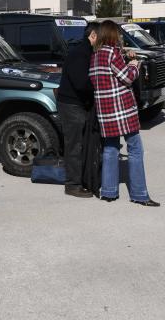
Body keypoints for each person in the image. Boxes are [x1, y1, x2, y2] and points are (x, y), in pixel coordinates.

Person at [89, 20, 159, 207]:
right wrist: (135, 64)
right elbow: (127, 77)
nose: (120, 36)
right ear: (113, 34)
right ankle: (139, 194)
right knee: (135, 148)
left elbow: (112, 75)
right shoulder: (112, 52)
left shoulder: (95, 55)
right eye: (118, 33)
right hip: (121, 109)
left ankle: (109, 192)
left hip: (105, 111)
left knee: (110, 149)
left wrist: (126, 56)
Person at [57, 22, 99, 198]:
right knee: (74, 145)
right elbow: (82, 84)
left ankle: (81, 179)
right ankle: (72, 185)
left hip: (79, 104)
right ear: (93, 36)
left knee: (80, 144)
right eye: (102, 38)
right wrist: (99, 87)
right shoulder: (80, 54)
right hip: (71, 105)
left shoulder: (87, 52)